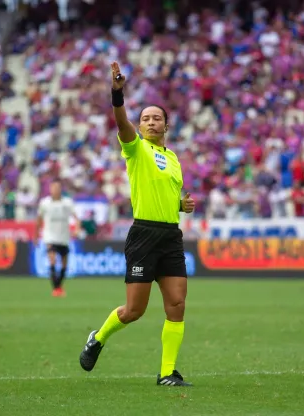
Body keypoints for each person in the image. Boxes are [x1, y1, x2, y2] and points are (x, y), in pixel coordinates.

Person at [78, 61, 196, 386]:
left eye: (157, 118)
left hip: (170, 235)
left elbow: (164, 195)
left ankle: (167, 373)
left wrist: (180, 205)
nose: (151, 122)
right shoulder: (136, 148)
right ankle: (98, 338)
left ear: (166, 126)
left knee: (177, 304)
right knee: (134, 311)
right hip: (143, 235)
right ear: (140, 125)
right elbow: (121, 124)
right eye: (146, 118)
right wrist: (118, 95)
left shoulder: (173, 159)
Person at [36, 180, 77, 297]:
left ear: (61, 189)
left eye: (58, 188)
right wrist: (35, 235)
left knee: (64, 265)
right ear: (50, 189)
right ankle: (56, 288)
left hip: (64, 237)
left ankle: (58, 286)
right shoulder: (45, 203)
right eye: (53, 188)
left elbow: (76, 217)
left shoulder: (67, 203)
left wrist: (77, 228)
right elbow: (39, 220)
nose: (56, 190)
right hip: (50, 236)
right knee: (52, 260)